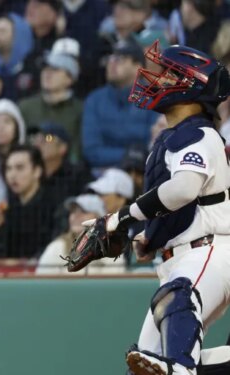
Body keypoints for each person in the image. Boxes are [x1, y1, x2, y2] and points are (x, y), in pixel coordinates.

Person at [73, 42, 230, 375]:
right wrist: (151, 237)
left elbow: (184, 189)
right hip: (184, 257)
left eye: (170, 75)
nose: (157, 80)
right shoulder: (174, 137)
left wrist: (122, 217)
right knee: (143, 367)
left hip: (212, 252)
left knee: (178, 300)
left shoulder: (199, 133)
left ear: (191, 86)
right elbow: (185, 203)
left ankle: (183, 369)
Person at [82, 42, 159, 170]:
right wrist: (131, 155)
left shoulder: (154, 99)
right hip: (102, 172)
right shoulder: (95, 100)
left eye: (120, 60)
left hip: (143, 171)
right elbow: (91, 150)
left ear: (137, 67)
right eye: (110, 59)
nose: (112, 63)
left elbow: (154, 147)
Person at [0, 144, 55, 259]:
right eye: (8, 169)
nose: (12, 175)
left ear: (37, 171)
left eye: (19, 168)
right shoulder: (7, 208)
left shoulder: (54, 206)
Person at [36, 194, 126, 275]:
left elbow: (112, 287)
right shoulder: (58, 246)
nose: (76, 216)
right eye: (73, 211)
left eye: (84, 211)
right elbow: (42, 284)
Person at [18, 51, 84, 160]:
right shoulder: (26, 107)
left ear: (69, 78)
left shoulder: (79, 110)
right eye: (45, 68)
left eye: (55, 70)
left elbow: (76, 149)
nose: (47, 73)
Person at [31, 123, 91, 209]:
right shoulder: (30, 175)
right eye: (36, 138)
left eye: (47, 138)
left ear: (63, 147)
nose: (38, 143)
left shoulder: (78, 175)